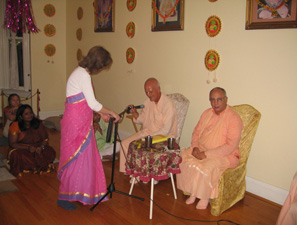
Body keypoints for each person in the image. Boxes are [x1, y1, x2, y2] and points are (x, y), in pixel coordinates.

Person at [57, 46, 120, 211]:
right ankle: (64, 196)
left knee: (83, 159)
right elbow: (92, 103)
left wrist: (101, 114)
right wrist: (111, 112)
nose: (101, 70)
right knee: (75, 158)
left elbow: (86, 102)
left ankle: (79, 192)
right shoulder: (83, 75)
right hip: (76, 123)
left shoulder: (81, 72)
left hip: (81, 121)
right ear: (97, 65)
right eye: (102, 66)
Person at [176, 87, 243, 210]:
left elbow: (230, 146)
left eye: (219, 99)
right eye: (212, 100)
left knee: (207, 166)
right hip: (201, 149)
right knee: (183, 157)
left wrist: (205, 154)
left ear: (226, 99)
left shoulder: (234, 118)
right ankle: (193, 192)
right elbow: (196, 133)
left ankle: (204, 196)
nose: (215, 103)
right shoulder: (206, 113)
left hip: (225, 155)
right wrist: (195, 147)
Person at [119, 77, 177, 174]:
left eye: (151, 92)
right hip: (146, 133)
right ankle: (129, 170)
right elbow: (141, 120)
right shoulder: (147, 102)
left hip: (162, 137)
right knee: (124, 143)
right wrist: (134, 113)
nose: (148, 95)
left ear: (158, 89)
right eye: (146, 92)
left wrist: (147, 138)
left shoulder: (168, 105)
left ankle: (140, 174)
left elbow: (166, 130)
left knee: (138, 148)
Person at [8, 104, 56, 177]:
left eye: (30, 113)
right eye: (26, 114)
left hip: (38, 147)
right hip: (22, 148)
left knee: (50, 151)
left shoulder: (38, 123)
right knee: (17, 156)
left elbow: (45, 139)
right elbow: (12, 143)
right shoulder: (15, 126)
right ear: (21, 116)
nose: (30, 115)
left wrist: (41, 147)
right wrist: (28, 148)